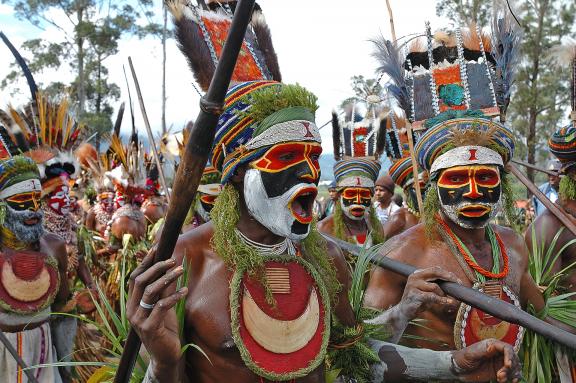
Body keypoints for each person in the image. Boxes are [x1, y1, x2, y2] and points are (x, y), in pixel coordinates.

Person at [127, 80, 521, 383]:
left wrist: (452, 361)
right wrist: (162, 363)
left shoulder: (323, 257)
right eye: (286, 158)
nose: (309, 174)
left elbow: (356, 356)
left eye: (313, 158)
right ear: (237, 171)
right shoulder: (182, 262)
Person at [364, 19, 571, 352]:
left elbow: (542, 316)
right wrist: (404, 308)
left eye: (485, 177)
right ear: (434, 187)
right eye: (457, 178)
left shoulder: (512, 245)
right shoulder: (404, 252)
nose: (473, 191)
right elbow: (361, 348)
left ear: (501, 183)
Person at [0, 125, 69, 382]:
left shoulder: (54, 246)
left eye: (36, 200)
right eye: (21, 203)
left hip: (44, 356)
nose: (33, 210)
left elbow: (63, 309)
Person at [318, 159, 385, 246]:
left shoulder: (376, 226)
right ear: (340, 196)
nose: (358, 200)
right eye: (350, 193)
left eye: (364, 194)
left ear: (370, 197)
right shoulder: (324, 228)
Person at [382, 157, 425, 239]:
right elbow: (377, 247)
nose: (426, 193)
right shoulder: (399, 218)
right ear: (406, 192)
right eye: (420, 188)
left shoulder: (437, 214)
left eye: (428, 187)